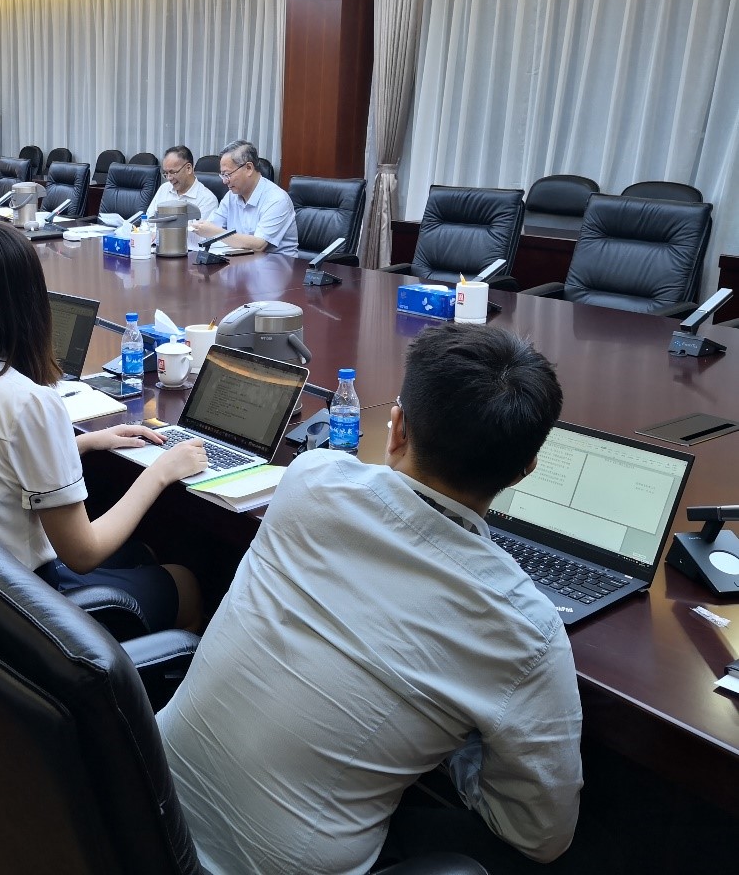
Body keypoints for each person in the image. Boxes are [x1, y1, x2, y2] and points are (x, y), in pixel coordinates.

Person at [158, 324, 581, 875]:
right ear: (526, 469)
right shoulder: (525, 628)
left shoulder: (310, 480)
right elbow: (542, 836)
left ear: (397, 427)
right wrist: (456, 751)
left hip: (143, 811)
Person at [0, 221, 206, 632]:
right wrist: (160, 472)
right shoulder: (28, 402)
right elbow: (83, 554)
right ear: (29, 303)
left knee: (142, 554)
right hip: (24, 613)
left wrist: (81, 443)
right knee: (185, 581)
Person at [189, 139, 298, 256]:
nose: (225, 181)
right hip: (240, 261)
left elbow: (259, 245)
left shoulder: (277, 199)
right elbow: (213, 224)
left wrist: (216, 232)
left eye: (228, 174)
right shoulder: (231, 195)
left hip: (276, 264)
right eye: (223, 175)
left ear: (249, 168)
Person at [145, 145, 220, 229]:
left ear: (188, 168)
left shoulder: (207, 200)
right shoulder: (164, 188)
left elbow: (202, 234)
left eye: (173, 172)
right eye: (166, 173)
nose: (169, 178)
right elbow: (148, 221)